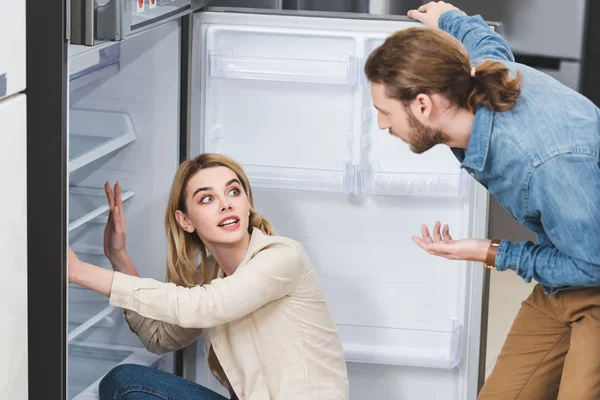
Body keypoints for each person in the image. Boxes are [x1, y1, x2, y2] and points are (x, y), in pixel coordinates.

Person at [364, 2, 600, 399]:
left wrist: (488, 251)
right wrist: (450, 19)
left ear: (424, 105)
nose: (381, 124)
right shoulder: (477, 76)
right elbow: (484, 41)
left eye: (384, 111)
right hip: (567, 268)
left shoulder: (541, 161)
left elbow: (593, 266)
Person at [68, 153, 349, 400]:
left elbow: (203, 306)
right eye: (207, 198)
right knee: (127, 381)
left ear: (247, 202)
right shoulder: (214, 279)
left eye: (234, 192)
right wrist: (118, 256)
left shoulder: (282, 257)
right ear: (185, 221)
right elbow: (159, 338)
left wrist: (80, 272)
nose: (225, 204)